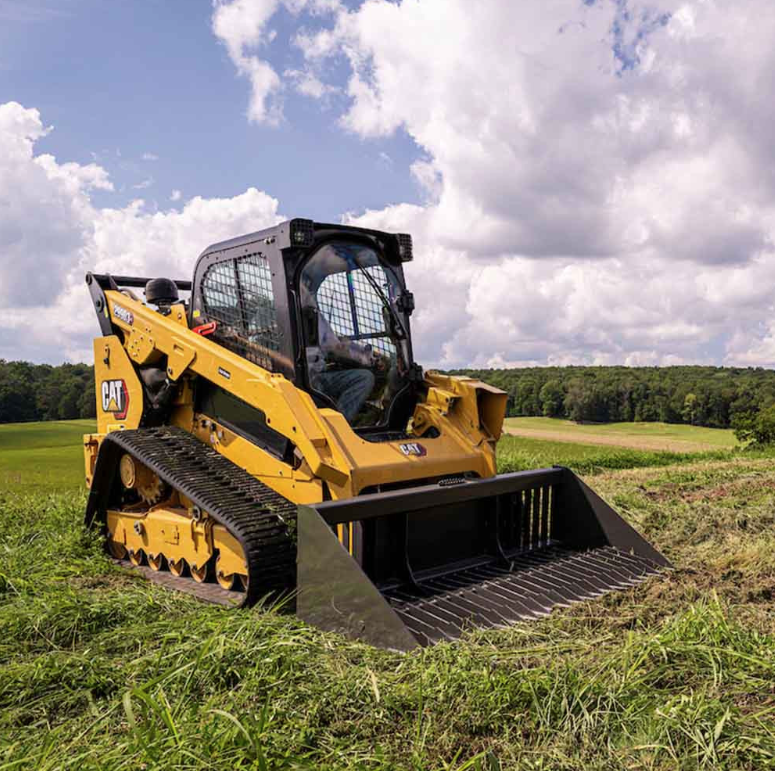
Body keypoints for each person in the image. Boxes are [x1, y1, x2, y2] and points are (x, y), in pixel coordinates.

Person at [304, 288, 384, 423]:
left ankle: (339, 423)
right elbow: (336, 348)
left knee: (363, 377)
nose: (307, 293)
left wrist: (366, 356)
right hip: (304, 379)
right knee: (365, 377)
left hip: (319, 375)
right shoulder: (290, 312)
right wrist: (364, 359)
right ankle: (336, 426)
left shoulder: (314, 317)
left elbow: (335, 346)